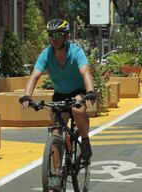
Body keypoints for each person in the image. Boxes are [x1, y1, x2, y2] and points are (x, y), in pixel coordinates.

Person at [19, 19, 96, 162]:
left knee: (77, 110)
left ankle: (85, 142)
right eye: (51, 35)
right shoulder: (46, 54)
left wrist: (90, 92)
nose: (53, 39)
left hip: (78, 90)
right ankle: (56, 174)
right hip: (60, 94)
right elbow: (35, 75)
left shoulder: (76, 52)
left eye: (58, 35)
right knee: (55, 133)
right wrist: (27, 96)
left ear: (66, 37)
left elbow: (85, 72)